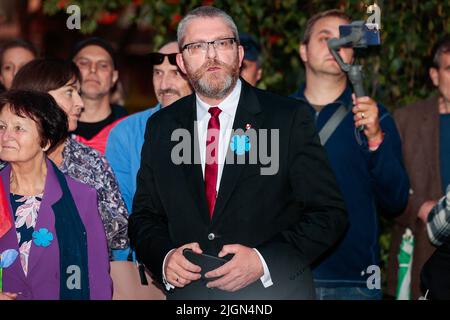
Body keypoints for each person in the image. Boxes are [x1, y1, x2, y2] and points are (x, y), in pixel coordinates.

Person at [129, 6, 347, 300]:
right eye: (197, 47)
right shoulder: (162, 126)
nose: (212, 56)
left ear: (240, 54)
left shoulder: (287, 118)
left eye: (222, 43)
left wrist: (263, 261)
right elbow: (145, 216)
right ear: (181, 61)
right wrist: (165, 258)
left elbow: (328, 214)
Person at [291, 9, 409, 300]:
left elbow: (396, 200)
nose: (336, 47)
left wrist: (375, 139)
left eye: (345, 40)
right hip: (287, 275)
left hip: (353, 280)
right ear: (303, 51)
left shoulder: (375, 117)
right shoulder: (277, 115)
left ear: (354, 53)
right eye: (324, 38)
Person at [11, 58, 129, 261]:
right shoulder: (6, 158)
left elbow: (118, 234)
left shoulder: (91, 161)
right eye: (69, 92)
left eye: (78, 93)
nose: (80, 103)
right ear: (38, 98)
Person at [0, 90, 111, 300]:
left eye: (18, 128)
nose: (6, 136)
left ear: (46, 141)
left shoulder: (80, 198)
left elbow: (97, 279)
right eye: (2, 127)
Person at [387, 34, 450, 299]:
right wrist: (419, 207)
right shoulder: (405, 120)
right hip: (421, 254)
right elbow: (385, 187)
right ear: (435, 76)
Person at [106, 40, 192, 212]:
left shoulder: (217, 126)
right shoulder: (126, 133)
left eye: (175, 73)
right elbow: (119, 210)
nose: (164, 85)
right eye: (158, 73)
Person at [71, 37, 128, 154]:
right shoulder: (53, 128)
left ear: (114, 77)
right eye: (84, 63)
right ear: (71, 72)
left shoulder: (129, 130)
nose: (93, 69)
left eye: (103, 65)